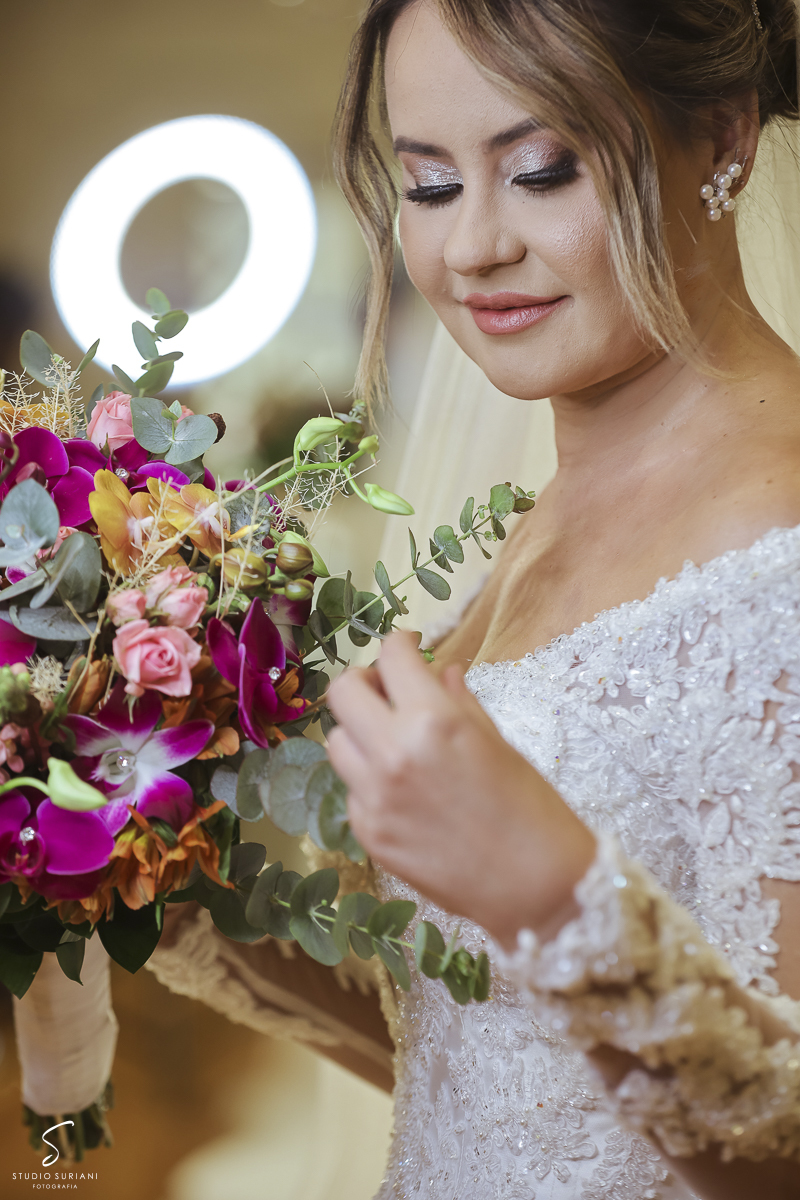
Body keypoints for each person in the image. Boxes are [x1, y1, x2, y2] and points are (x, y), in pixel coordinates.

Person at [314, 0, 800, 1196]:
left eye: (539, 171)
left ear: (723, 137)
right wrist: (163, 895)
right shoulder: (510, 540)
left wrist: (552, 897)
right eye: (427, 187)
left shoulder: (781, 552)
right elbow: (497, 1068)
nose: (471, 247)